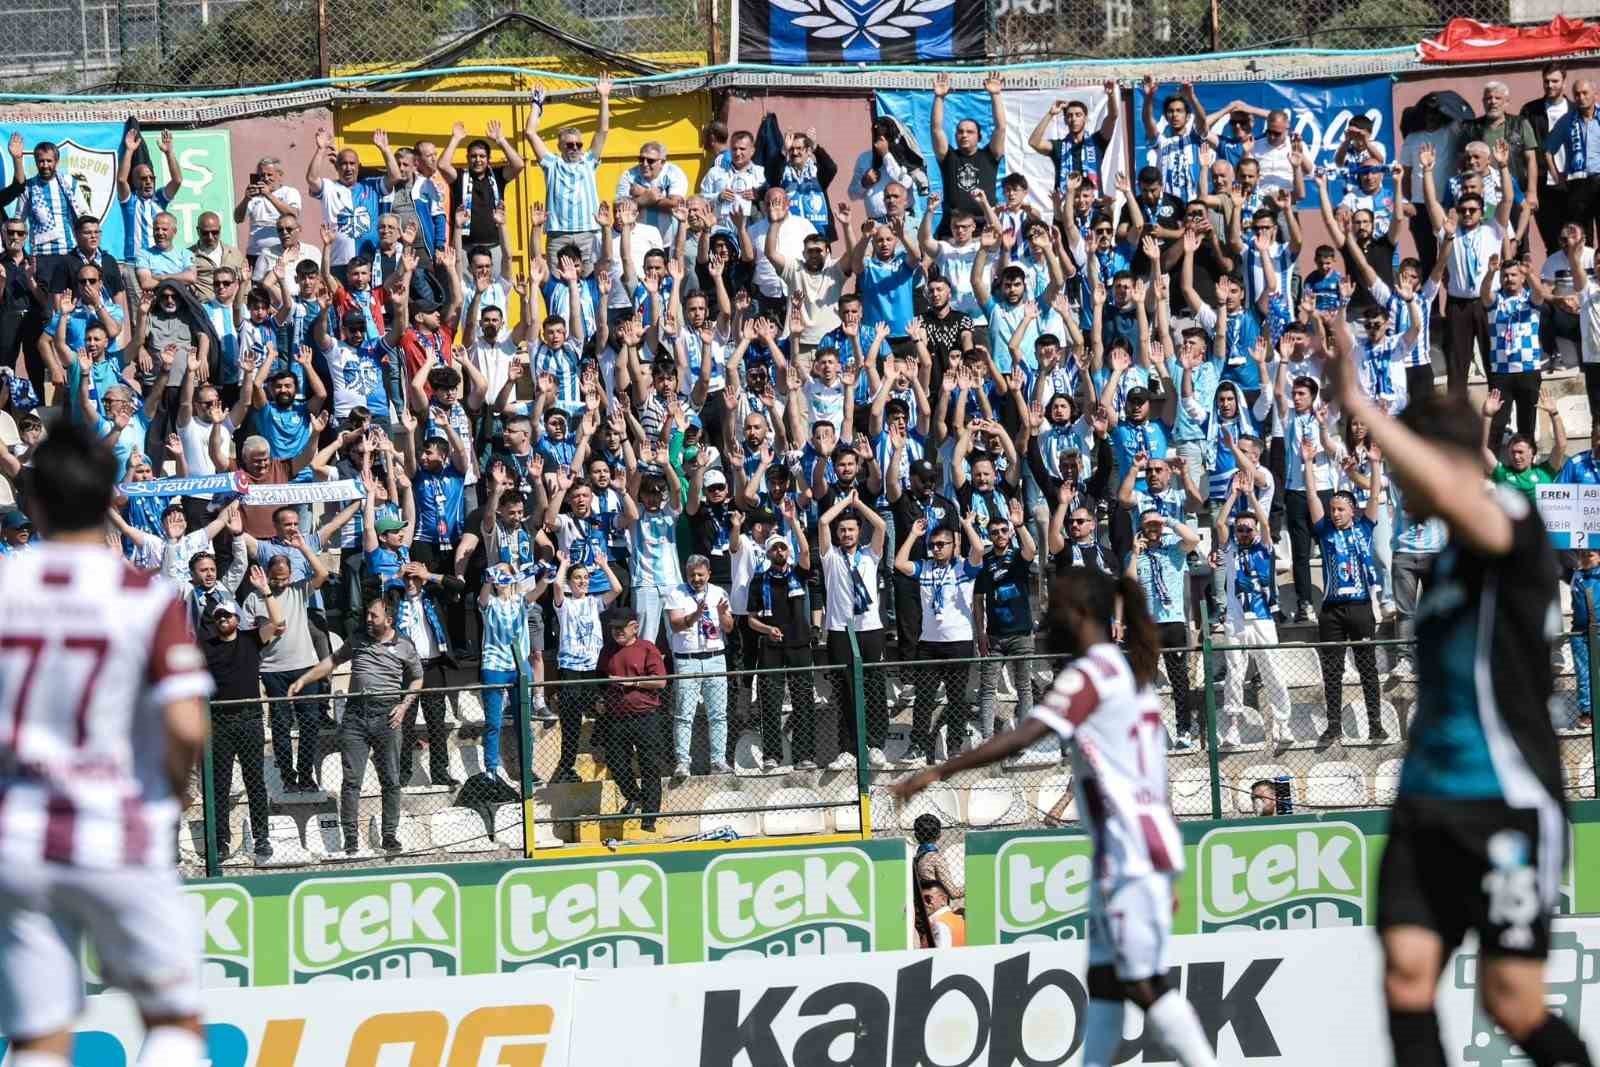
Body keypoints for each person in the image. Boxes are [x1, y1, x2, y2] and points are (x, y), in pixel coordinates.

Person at [1324, 334, 1594, 1067]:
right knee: (1406, 978)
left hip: (1503, 797)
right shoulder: (1442, 554)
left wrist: (1359, 405)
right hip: (1426, 803)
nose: (1388, 468)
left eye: (1400, 454)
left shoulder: (1508, 510)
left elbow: (1463, 497)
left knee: (1511, 1003)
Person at [891, 567, 1218, 1067]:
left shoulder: (1091, 673)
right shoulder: (1131, 675)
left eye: (1054, 607)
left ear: (1081, 614)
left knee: (1143, 984)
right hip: (1135, 848)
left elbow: (1025, 735)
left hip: (1128, 849)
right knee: (1105, 984)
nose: (1045, 619)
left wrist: (935, 772)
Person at [0, 420, 214, 1067]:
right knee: (174, 1019)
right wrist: (167, 798)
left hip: (17, 836)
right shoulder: (141, 597)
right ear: (112, 499)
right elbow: (185, 724)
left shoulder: (6, 588)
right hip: (113, 830)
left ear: (33, 502)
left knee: (39, 1034)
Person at [289, 596, 424, 854]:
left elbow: (417, 678)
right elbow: (332, 661)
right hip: (355, 716)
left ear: (389, 619)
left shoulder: (405, 645)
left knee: (391, 780)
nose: (368, 619)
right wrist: (304, 680)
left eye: (374, 616)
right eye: (368, 615)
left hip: (388, 715)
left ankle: (389, 835)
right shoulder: (358, 639)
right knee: (351, 781)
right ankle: (350, 838)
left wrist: (405, 705)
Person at [894, 512, 985, 764]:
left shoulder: (963, 567)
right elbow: (899, 563)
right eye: (933, 545)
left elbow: (979, 548)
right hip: (929, 643)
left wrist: (966, 526)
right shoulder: (924, 567)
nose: (936, 549)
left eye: (941, 544)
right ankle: (918, 745)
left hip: (958, 642)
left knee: (956, 697)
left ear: (953, 545)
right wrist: (914, 534)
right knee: (924, 698)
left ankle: (955, 745)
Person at [1215, 476, 1291, 748]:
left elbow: (1266, 523)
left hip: (1262, 617)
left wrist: (1251, 496)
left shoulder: (1264, 548)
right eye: (1241, 530)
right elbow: (1220, 523)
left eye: (1248, 529)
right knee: (1235, 673)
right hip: (1236, 620)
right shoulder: (1231, 549)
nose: (1244, 533)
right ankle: (1233, 727)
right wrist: (1234, 496)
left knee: (1272, 670)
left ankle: (1282, 724)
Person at [203, 588, 278, 864]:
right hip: (219, 722)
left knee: (255, 781)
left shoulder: (250, 639)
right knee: (219, 785)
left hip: (249, 719)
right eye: (219, 616)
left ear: (237, 618)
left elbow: (278, 622)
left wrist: (267, 593)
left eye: (227, 615)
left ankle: (261, 839)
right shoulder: (206, 647)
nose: (223, 619)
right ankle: (221, 841)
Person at [817, 489, 890, 770]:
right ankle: (848, 749)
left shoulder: (869, 555)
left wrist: (859, 504)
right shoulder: (831, 557)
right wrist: (845, 502)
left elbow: (881, 526)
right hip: (840, 629)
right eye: (843, 530)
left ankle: (875, 745)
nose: (847, 534)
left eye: (851, 529)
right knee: (846, 692)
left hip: (870, 628)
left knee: (874, 688)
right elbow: (823, 522)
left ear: (859, 532)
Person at [748, 512, 818, 771]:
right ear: (767, 553)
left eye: (782, 547)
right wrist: (767, 630)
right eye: (774, 548)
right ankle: (772, 755)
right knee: (770, 703)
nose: (779, 551)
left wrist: (793, 524)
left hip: (799, 643)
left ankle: (804, 755)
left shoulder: (799, 574)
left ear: (787, 551)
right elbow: (751, 620)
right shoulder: (759, 580)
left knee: (803, 701)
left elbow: (806, 552)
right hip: (771, 647)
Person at [551, 552, 624, 784]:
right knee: (571, 722)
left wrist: (603, 565)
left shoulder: (594, 602)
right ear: (570, 582)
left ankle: (601, 743)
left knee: (604, 708)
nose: (582, 581)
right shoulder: (565, 605)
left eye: (585, 578)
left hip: (593, 667)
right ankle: (566, 767)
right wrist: (563, 565)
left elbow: (617, 589)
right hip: (571, 668)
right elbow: (556, 585)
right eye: (577, 578)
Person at [665, 553, 734, 778]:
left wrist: (723, 614)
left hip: (715, 657)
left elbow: (729, 627)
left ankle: (718, 760)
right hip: (688, 660)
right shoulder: (677, 594)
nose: (696, 578)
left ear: (709, 574)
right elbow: (675, 625)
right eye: (692, 574)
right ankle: (683, 763)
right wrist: (694, 616)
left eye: (700, 574)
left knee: (718, 714)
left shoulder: (719, 593)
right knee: (684, 715)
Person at [599, 606, 668, 831]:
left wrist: (634, 683)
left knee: (650, 767)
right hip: (616, 717)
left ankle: (650, 817)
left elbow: (661, 681)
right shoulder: (607, 650)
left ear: (634, 627)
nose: (617, 632)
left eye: (621, 628)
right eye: (613, 628)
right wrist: (599, 700)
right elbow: (601, 679)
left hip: (646, 716)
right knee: (616, 762)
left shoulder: (647, 648)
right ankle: (633, 795)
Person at [974, 498, 1037, 739]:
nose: (999, 534)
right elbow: (978, 600)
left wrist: (1020, 526)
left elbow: (1031, 550)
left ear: (1009, 533)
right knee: (988, 690)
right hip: (994, 637)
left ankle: (1025, 737)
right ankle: (988, 738)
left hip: (1021, 633)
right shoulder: (984, 562)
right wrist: (980, 632)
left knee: (1024, 688)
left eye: (1003, 530)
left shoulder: (1018, 557)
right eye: (994, 532)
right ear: (989, 536)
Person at [921, 880, 966, 948]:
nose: (923, 903)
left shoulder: (938, 924)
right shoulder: (959, 920)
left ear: (943, 900)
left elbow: (941, 956)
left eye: (928, 899)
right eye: (920, 900)